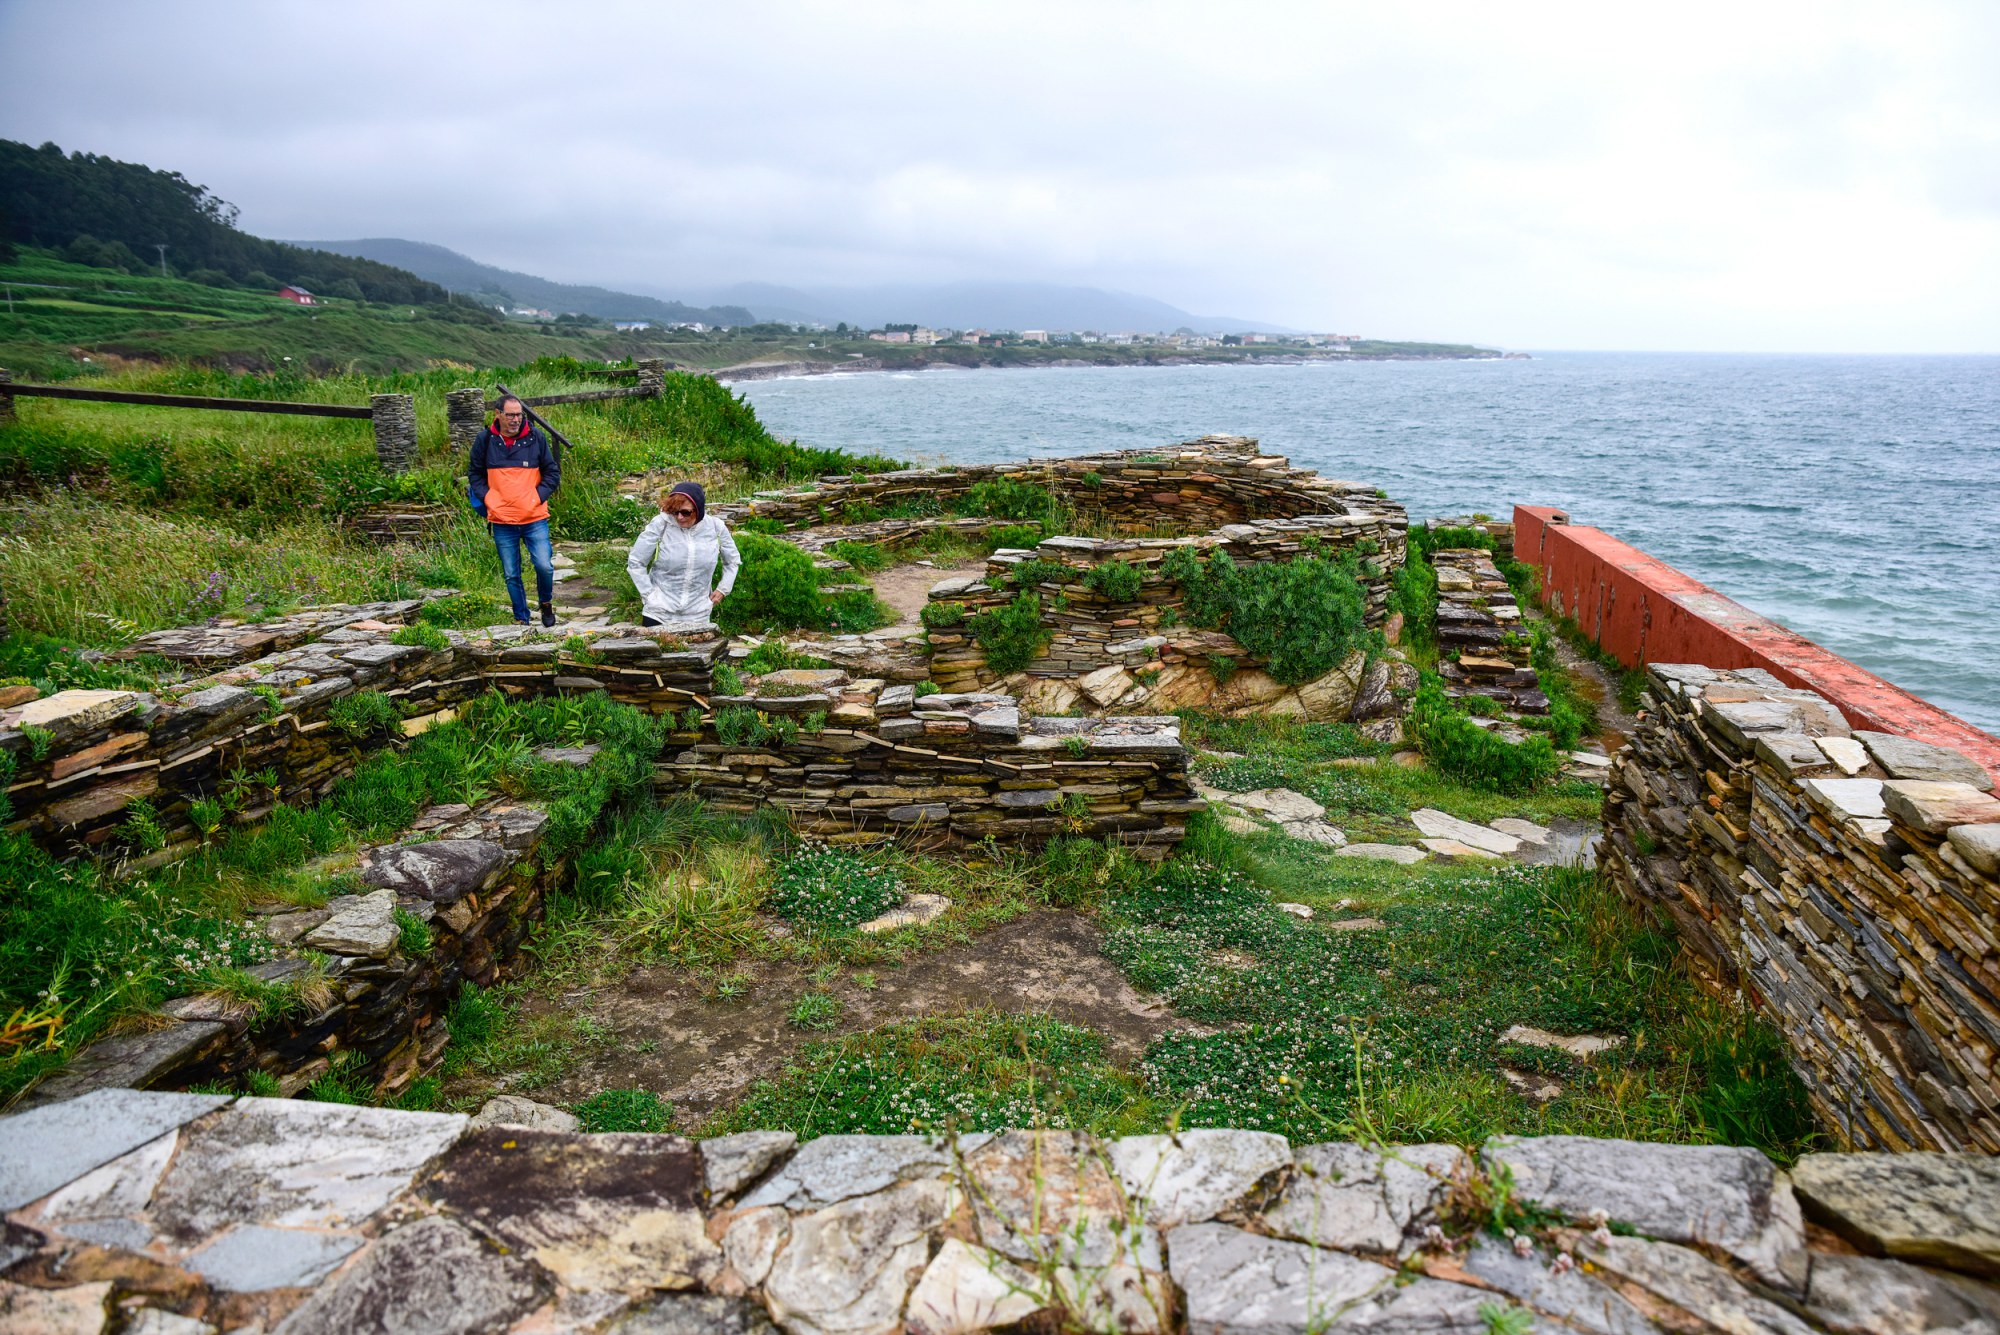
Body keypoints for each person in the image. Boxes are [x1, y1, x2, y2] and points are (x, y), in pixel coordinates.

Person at [468, 396, 561, 627]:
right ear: (497, 414)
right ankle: (522, 618)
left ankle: (545, 603)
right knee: (511, 573)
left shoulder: (536, 437)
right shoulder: (485, 440)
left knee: (544, 565)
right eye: (510, 415)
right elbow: (475, 474)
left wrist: (536, 497)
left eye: (519, 414)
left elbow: (552, 473)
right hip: (501, 520)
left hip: (534, 517)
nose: (516, 419)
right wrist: (489, 498)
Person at [627, 482, 740, 625]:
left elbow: (732, 561)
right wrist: (649, 596)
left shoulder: (715, 527)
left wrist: (723, 589)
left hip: (698, 614)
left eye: (686, 512)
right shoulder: (661, 525)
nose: (680, 517)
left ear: (698, 509)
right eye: (675, 512)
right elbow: (636, 562)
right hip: (659, 614)